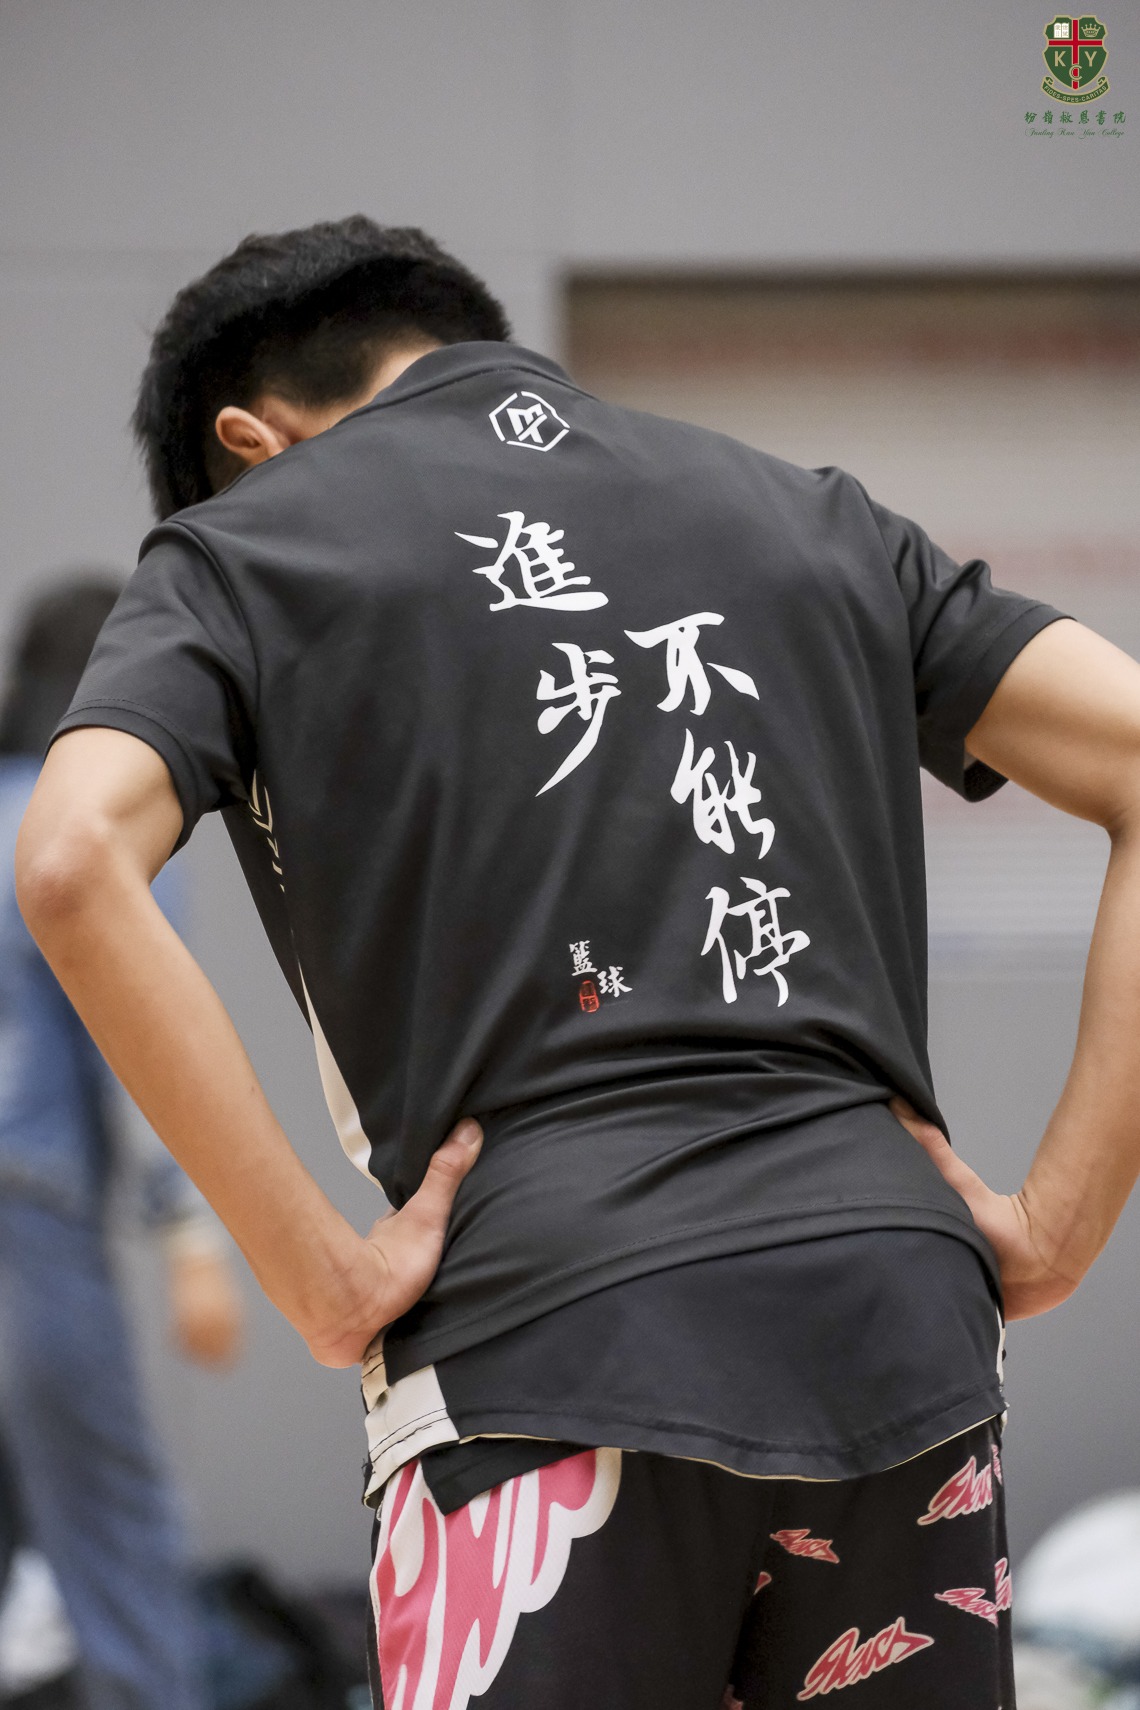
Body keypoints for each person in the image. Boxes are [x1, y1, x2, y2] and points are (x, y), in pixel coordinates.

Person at [12, 215, 1140, 1709]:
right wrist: (1061, 1220)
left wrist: (316, 1277)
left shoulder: (249, 543)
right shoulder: (811, 512)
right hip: (896, 1333)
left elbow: (72, 859)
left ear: (251, 441)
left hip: (541, 1348)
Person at [0, 575, 244, 1710]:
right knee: (115, 1529)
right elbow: (142, 1044)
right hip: (27, 1214)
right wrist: (196, 1247)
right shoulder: (86, 820)